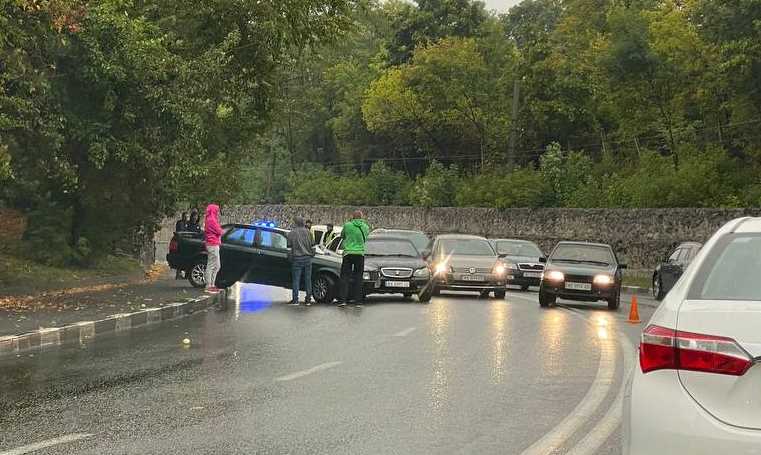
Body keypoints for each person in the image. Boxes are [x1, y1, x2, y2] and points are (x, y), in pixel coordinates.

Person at [337, 210, 369, 308]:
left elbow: (342, 236)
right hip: (360, 253)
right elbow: (366, 238)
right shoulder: (366, 227)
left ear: (352, 217)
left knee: (345, 277)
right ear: (361, 217)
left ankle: (343, 300)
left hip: (348, 253)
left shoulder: (347, 225)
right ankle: (358, 301)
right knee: (358, 277)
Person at [287, 216, 315, 306]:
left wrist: (290, 259)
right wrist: (311, 255)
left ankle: (295, 300)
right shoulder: (309, 233)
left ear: (295, 223)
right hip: (307, 259)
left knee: (296, 280)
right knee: (308, 280)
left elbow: (289, 249)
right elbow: (313, 247)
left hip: (297, 259)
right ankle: (308, 300)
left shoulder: (291, 233)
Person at [204, 204, 223, 294]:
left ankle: (212, 284)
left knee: (217, 265)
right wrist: (220, 231)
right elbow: (219, 231)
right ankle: (209, 285)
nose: (217, 212)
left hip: (214, 243)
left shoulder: (211, 219)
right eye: (217, 211)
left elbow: (219, 230)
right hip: (212, 244)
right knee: (212, 265)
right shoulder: (211, 220)